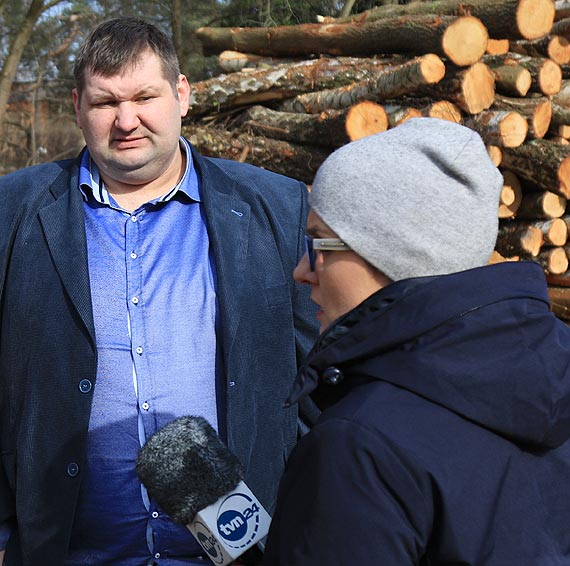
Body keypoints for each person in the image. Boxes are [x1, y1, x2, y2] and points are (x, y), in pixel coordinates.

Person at [0, 17, 318, 566]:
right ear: (77, 106)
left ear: (182, 95)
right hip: (67, 550)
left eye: (145, 96)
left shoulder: (275, 208)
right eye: (105, 103)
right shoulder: (12, 211)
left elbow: (317, 375)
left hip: (242, 550)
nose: (127, 121)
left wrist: (309, 517)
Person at [263, 117, 570, 565]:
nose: (302, 271)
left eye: (318, 245)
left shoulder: (359, 447)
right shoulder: (554, 379)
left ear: (388, 251)